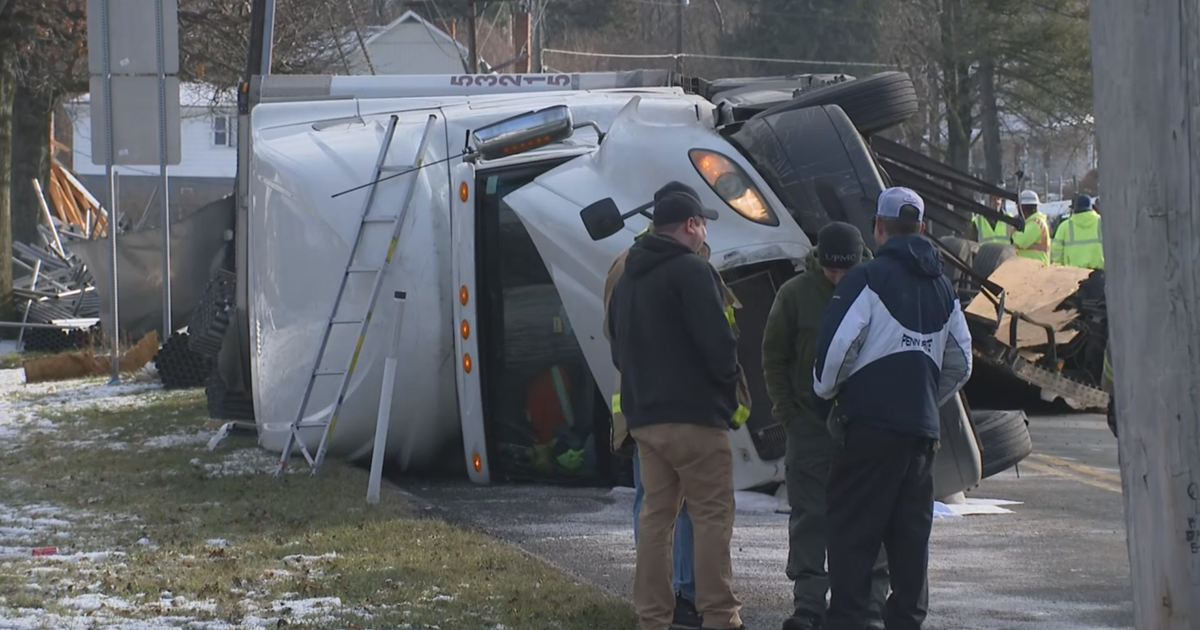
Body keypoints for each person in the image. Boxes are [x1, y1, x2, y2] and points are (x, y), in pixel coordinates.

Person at [813, 187, 972, 630]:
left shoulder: (866, 278)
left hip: (868, 430)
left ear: (878, 228)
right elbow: (962, 361)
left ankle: (846, 621)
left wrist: (826, 391)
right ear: (922, 228)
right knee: (910, 542)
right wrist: (922, 397)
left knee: (852, 536)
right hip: (921, 434)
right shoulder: (943, 286)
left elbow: (835, 353)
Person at [602, 182, 751, 630]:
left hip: (646, 420)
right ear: (690, 225)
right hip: (695, 419)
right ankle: (720, 615)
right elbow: (718, 345)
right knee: (710, 515)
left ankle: (652, 618)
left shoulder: (626, 276)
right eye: (703, 225)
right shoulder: (692, 272)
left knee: (655, 519)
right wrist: (729, 391)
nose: (705, 234)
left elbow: (616, 351)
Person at [763, 222, 888, 630]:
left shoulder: (879, 289)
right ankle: (809, 605)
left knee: (870, 517)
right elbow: (774, 356)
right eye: (831, 270)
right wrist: (790, 416)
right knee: (809, 518)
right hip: (810, 426)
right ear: (818, 260)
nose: (838, 277)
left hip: (866, 424)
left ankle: (869, 604)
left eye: (845, 270)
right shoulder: (795, 295)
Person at [1052, 195, 1104, 269]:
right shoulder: (1102, 223)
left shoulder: (1064, 226)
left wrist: (1060, 270)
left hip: (1072, 273)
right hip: (1098, 273)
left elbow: (1056, 252)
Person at [1011, 190, 1052, 264]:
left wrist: (1013, 232)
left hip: (1037, 269)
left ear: (1023, 208)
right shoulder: (1030, 223)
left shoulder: (1037, 223)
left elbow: (1020, 241)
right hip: (1031, 268)